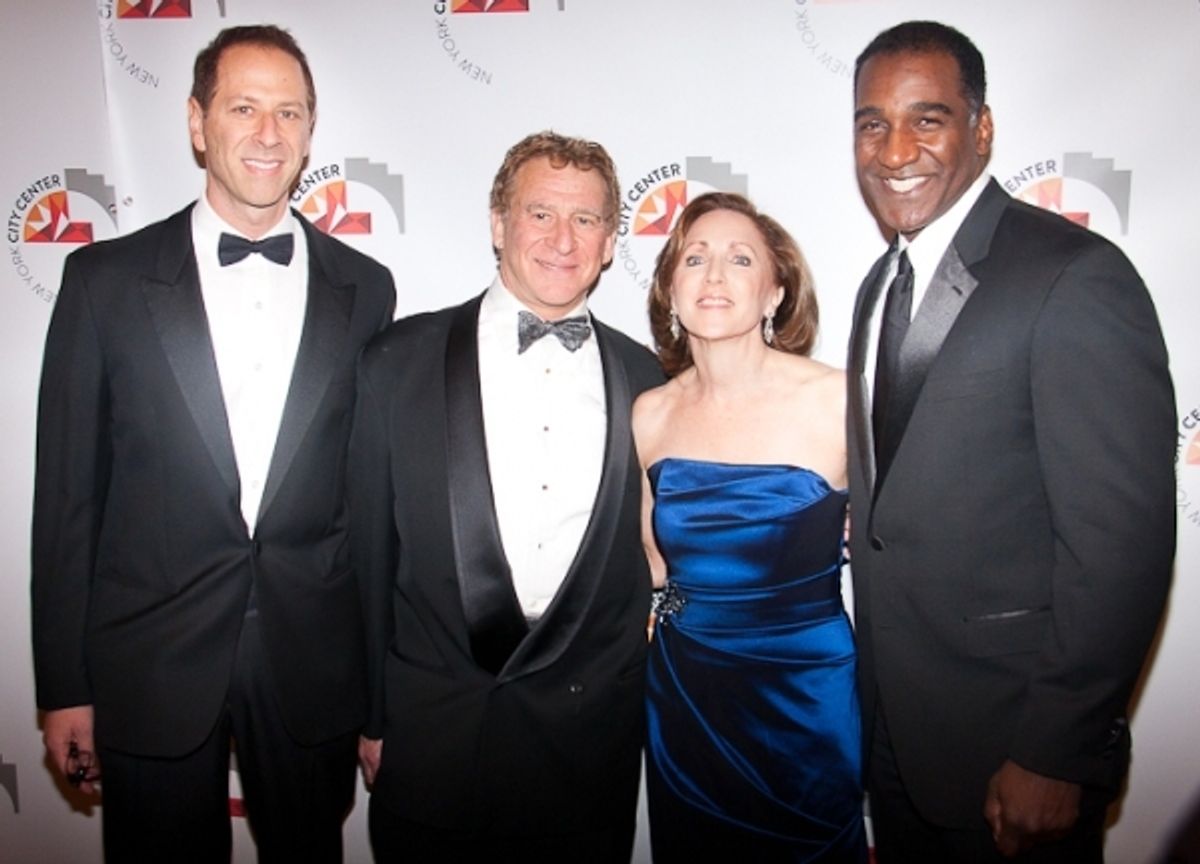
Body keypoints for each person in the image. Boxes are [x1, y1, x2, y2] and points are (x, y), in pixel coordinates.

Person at [31, 25, 395, 863]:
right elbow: (67, 501)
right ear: (198, 123)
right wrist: (64, 687)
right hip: (149, 660)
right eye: (243, 108)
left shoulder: (366, 289)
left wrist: (378, 698)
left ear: (310, 132)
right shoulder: (105, 283)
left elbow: (368, 507)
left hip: (312, 667)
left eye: (290, 112)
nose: (269, 134)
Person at [845, 20, 1175, 863]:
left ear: (981, 129)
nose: (895, 150)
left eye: (928, 118)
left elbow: (1121, 545)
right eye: (872, 123)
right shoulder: (877, 289)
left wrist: (1055, 750)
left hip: (1015, 747)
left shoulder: (1073, 275)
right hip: (895, 741)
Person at [350, 130, 663, 862]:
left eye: (585, 220)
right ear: (498, 223)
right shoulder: (396, 362)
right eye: (540, 213)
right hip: (432, 743)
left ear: (611, 242)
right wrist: (369, 714)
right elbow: (364, 556)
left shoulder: (650, 379)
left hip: (586, 754)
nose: (563, 239)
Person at [634, 191, 866, 862]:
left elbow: (906, 539)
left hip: (805, 696)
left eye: (740, 259)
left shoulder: (837, 399)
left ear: (774, 292)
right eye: (694, 258)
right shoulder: (649, 414)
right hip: (688, 696)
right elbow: (652, 563)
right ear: (671, 291)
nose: (713, 276)